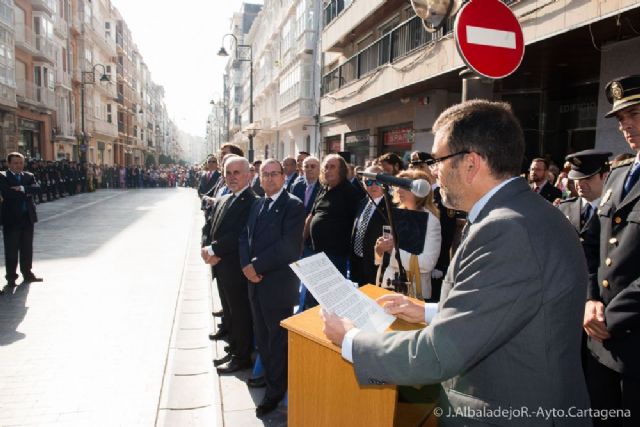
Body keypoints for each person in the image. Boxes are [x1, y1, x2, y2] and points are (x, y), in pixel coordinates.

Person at [322, 100, 590, 426]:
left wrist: (351, 339)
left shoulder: (507, 230)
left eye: (438, 160)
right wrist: (427, 311)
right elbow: (501, 308)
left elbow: (439, 353)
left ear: (471, 164)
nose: (434, 172)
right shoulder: (523, 214)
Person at [583, 75, 640, 426]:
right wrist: (591, 300)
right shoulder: (618, 175)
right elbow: (591, 243)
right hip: (600, 342)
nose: (625, 125)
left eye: (634, 114)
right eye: (620, 118)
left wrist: (609, 317)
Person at [239, 159, 305, 417]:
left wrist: (255, 266)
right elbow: (244, 237)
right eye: (264, 174)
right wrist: (246, 265)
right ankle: (270, 380)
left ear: (283, 176)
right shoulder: (257, 203)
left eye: (274, 174)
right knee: (263, 338)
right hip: (254, 284)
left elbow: (289, 247)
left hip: (278, 286)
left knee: (277, 342)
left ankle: (275, 392)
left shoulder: (293, 205)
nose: (269, 178)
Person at [201, 157, 257, 374]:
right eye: (228, 173)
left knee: (240, 314)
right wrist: (206, 248)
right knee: (230, 313)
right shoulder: (224, 198)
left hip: (236, 268)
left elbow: (240, 234)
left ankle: (242, 357)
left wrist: (214, 250)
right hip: (220, 266)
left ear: (248, 175)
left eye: (237, 173)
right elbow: (210, 226)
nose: (232, 177)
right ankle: (233, 349)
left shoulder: (252, 201)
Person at [374, 169, 441, 299]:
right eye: (397, 186)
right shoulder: (397, 214)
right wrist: (379, 250)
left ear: (419, 190)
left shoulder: (431, 221)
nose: (398, 191)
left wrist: (392, 251)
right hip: (387, 286)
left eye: (403, 186)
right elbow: (382, 259)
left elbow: (428, 263)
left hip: (413, 291)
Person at [306, 154, 362, 278]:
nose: (328, 170)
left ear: (341, 170)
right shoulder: (323, 188)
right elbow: (312, 215)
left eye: (332, 167)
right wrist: (301, 241)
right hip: (315, 251)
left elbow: (357, 223)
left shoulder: (350, 191)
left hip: (337, 256)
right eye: (326, 167)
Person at [0, 152, 44, 290]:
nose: (18, 165)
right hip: (11, 218)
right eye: (15, 163)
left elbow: (38, 189)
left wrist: (22, 188)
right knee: (11, 250)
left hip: (27, 217)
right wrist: (27, 192)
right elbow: (7, 193)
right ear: (9, 164)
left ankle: (27, 273)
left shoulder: (29, 176)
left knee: (27, 248)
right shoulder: (3, 176)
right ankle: (11, 278)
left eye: (20, 163)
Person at [349, 165, 389, 287]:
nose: (373, 185)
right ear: (363, 184)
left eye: (377, 181)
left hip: (376, 268)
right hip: (358, 265)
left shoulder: (391, 206)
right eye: (369, 182)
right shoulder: (362, 202)